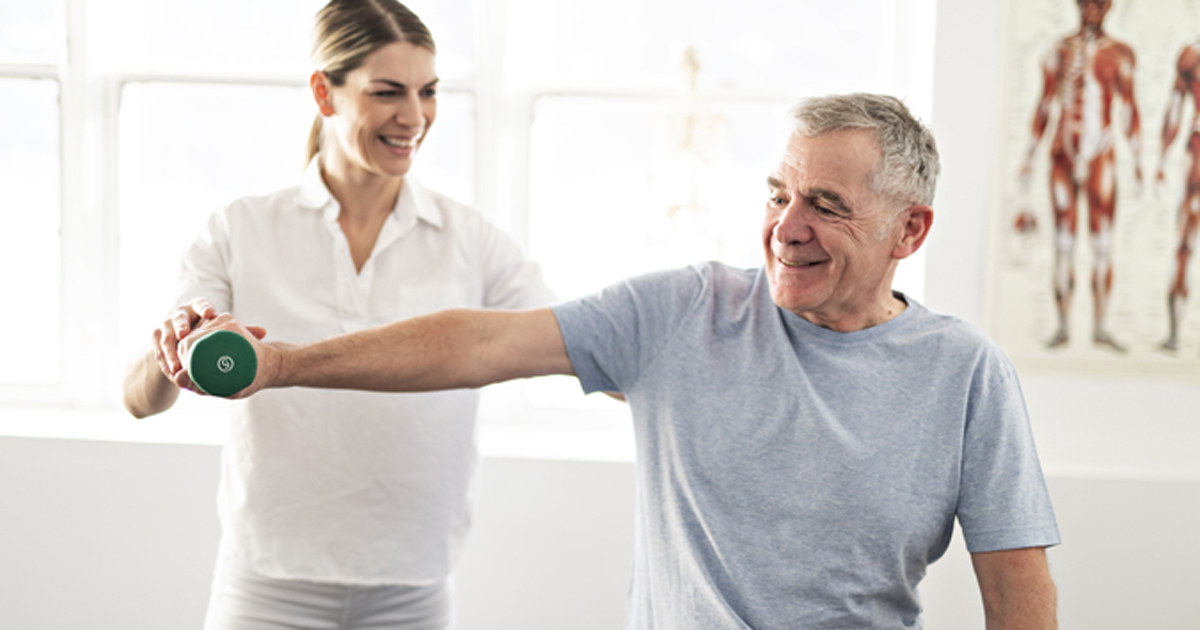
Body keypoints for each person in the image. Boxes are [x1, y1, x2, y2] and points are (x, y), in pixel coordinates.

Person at [171, 94, 1061, 628]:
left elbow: (1017, 585)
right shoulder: (683, 312)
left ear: (911, 229)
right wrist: (282, 364)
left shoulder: (964, 374)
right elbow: (480, 341)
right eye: (779, 195)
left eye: (826, 205)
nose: (788, 229)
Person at [122, 1, 553, 628]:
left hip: (413, 588)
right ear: (325, 92)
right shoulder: (242, 229)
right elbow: (140, 399)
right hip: (266, 586)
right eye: (388, 92)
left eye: (428, 92)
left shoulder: (471, 240)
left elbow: (573, 339)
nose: (415, 116)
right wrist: (168, 354)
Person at [1014, 0, 1143, 352]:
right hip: (1062, 155)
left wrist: (1139, 160)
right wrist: (1028, 155)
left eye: (1099, 2)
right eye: (1086, 2)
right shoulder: (1058, 50)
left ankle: (1100, 326)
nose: (1092, 8)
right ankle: (1063, 327)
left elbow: (1130, 108)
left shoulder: (1120, 54)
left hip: (1101, 154)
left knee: (1102, 245)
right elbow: (1044, 105)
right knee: (1064, 243)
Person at [1155, 39, 1200, 353]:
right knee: (1184, 238)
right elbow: (1174, 108)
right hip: (1197, 153)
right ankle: (1175, 333)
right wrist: (1160, 157)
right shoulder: (1191, 54)